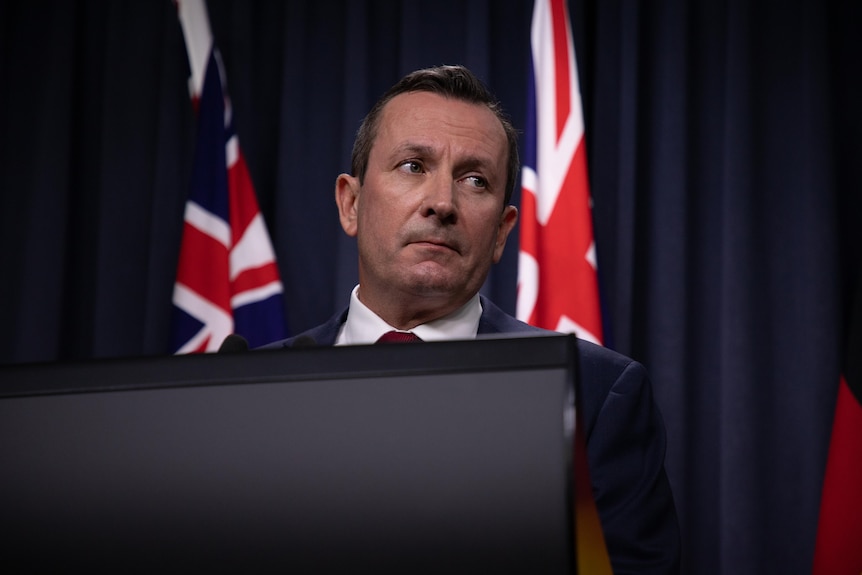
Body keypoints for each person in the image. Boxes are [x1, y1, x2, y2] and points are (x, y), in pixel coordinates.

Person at [262, 65, 680, 572]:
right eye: (414, 165)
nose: (442, 203)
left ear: (503, 232)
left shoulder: (596, 394)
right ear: (351, 203)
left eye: (475, 180)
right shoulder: (250, 392)